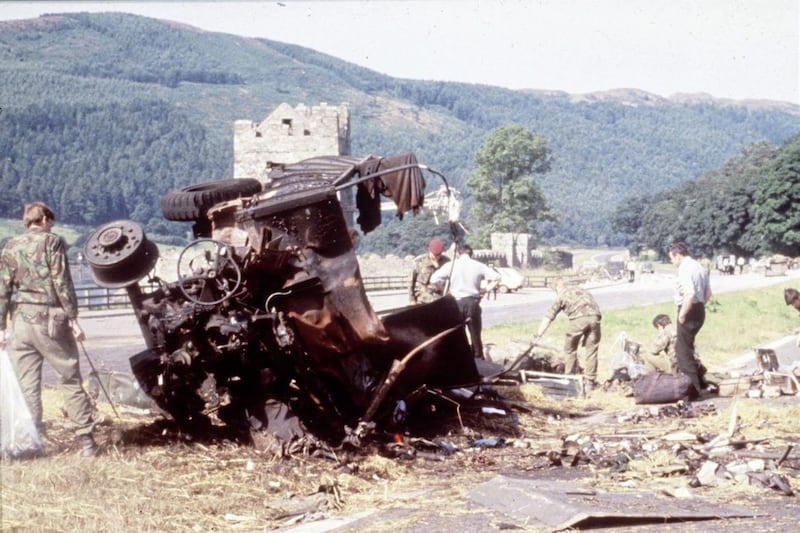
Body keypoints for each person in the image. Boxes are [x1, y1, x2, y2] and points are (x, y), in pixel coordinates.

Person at [0, 202, 98, 456]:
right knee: (70, 378)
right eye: (50, 221)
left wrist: (1, 328)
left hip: (20, 322)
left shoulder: (10, 245)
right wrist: (74, 318)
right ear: (43, 219)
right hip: (50, 320)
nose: (51, 225)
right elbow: (61, 281)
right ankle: (87, 441)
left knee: (27, 385)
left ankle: (32, 442)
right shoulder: (52, 242)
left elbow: (2, 290)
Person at [430, 243, 500, 359]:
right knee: (475, 335)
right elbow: (497, 277)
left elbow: (434, 279)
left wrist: (445, 290)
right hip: (472, 302)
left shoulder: (451, 265)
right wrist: (485, 290)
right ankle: (478, 360)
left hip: (456, 303)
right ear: (471, 254)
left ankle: (460, 360)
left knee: (458, 335)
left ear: (458, 253)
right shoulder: (478, 265)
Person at [534, 278, 602, 389]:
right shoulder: (583, 290)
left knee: (570, 350)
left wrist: (538, 334)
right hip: (595, 318)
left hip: (578, 319)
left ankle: (569, 378)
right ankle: (590, 381)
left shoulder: (561, 295)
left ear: (557, 287)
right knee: (592, 350)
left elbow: (549, 317)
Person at [669, 241, 712, 397]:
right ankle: (700, 382)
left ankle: (692, 390)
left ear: (678, 255)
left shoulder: (685, 269)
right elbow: (708, 294)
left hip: (688, 309)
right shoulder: (699, 266)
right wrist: (699, 307)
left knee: (683, 351)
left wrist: (682, 315)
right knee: (689, 347)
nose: (671, 262)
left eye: (672, 259)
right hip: (700, 309)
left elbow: (690, 294)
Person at [408, 238, 450, 305]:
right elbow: (411, 282)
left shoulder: (447, 262)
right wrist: (412, 300)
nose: (436, 257)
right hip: (422, 300)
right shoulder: (419, 262)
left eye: (438, 255)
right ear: (429, 250)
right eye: (434, 255)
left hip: (440, 299)